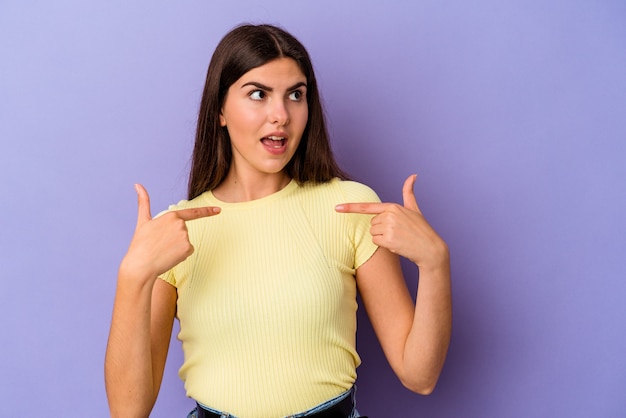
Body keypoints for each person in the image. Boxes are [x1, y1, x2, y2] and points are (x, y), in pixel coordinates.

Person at [105, 24, 451, 418]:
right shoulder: (177, 232)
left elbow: (419, 375)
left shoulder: (351, 207)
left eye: (295, 95)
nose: (281, 116)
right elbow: (128, 411)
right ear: (220, 110)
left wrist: (435, 263)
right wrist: (133, 275)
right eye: (258, 94)